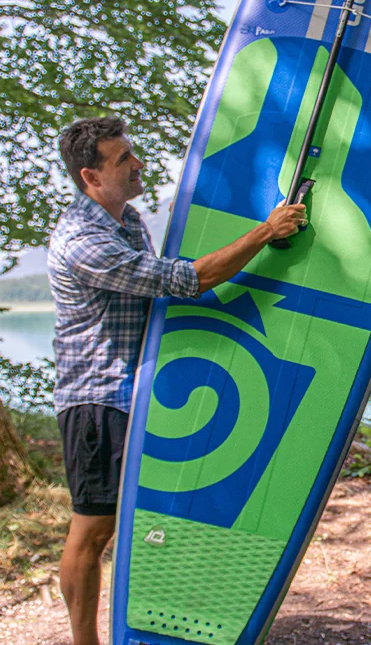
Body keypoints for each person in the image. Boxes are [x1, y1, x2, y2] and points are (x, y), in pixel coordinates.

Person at [47, 117, 304, 645]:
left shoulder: (129, 220)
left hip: (133, 393)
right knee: (93, 528)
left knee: (135, 521)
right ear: (91, 177)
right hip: (96, 399)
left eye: (132, 153)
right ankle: (83, 642)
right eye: (123, 160)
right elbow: (184, 279)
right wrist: (266, 229)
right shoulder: (82, 240)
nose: (138, 165)